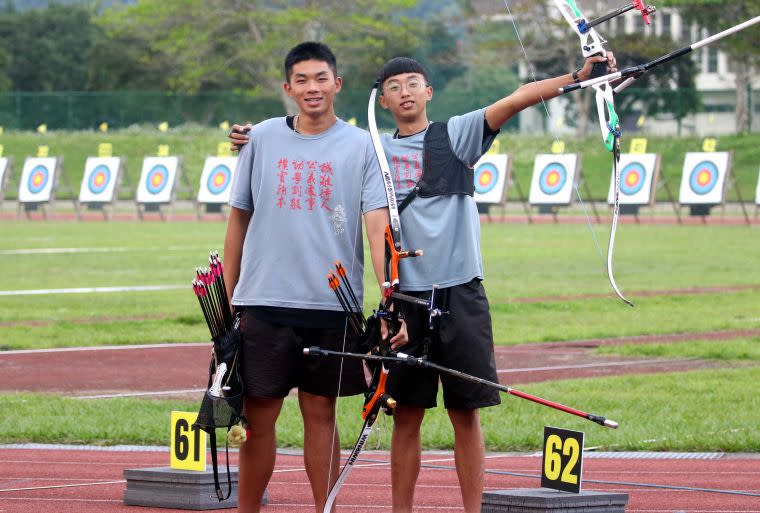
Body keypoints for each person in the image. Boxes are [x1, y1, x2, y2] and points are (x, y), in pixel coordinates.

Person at [230, 53, 616, 513]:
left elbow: (515, 100)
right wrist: (255, 136)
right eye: (395, 87)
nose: (406, 92)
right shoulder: (371, 148)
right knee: (405, 415)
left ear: (429, 91)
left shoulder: (456, 135)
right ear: (383, 100)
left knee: (465, 413)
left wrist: (576, 78)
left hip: (460, 292)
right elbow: (311, 141)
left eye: (415, 83)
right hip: (407, 299)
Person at [223, 41, 389, 513]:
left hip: (332, 305)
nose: (312, 88)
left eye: (321, 78)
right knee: (257, 417)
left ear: (337, 83)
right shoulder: (262, 138)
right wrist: (230, 299)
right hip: (264, 301)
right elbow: (239, 218)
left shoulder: (362, 145)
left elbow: (376, 225)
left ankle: (326, 509)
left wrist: (387, 295)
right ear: (287, 88)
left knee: (321, 415)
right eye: (302, 80)